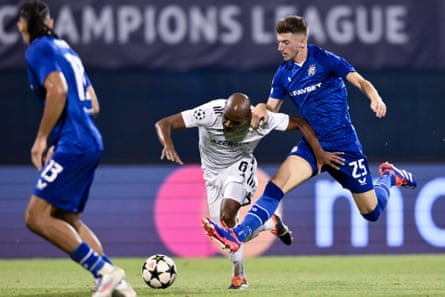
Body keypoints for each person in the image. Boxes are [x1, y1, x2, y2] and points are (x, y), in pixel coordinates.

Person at [201, 15, 417, 253]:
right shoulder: (283, 74)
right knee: (275, 188)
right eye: (279, 41)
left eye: (284, 42)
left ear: (301, 42)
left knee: (372, 212)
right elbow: (272, 109)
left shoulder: (325, 60)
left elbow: (360, 81)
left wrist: (375, 97)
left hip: (344, 146)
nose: (279, 47)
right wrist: (262, 107)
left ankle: (389, 177)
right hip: (313, 145)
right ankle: (236, 235)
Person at [155, 92, 344, 289]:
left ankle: (239, 276)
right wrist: (168, 144)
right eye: (226, 118)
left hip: (239, 167)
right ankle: (269, 223)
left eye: (234, 122)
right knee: (223, 233)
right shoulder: (211, 112)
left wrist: (319, 153)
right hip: (211, 175)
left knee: (227, 216)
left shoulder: (261, 120)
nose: (227, 124)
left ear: (247, 118)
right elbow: (163, 123)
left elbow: (300, 123)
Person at [17, 1, 136, 297]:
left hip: (74, 142)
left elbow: (58, 90)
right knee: (67, 218)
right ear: (51, 22)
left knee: (36, 217)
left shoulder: (38, 49)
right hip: (90, 139)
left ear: (22, 25)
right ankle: (115, 282)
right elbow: (93, 104)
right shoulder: (66, 50)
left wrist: (43, 138)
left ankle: (106, 272)